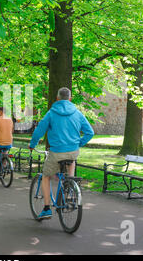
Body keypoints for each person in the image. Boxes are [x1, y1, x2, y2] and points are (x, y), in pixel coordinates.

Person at [29, 87, 94, 220]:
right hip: (72, 152)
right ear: (70, 99)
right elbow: (90, 132)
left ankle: (47, 208)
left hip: (56, 152)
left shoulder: (51, 113)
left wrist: (32, 144)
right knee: (71, 163)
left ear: (57, 98)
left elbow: (39, 130)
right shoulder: (77, 113)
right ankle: (69, 189)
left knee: (46, 176)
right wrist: (79, 143)